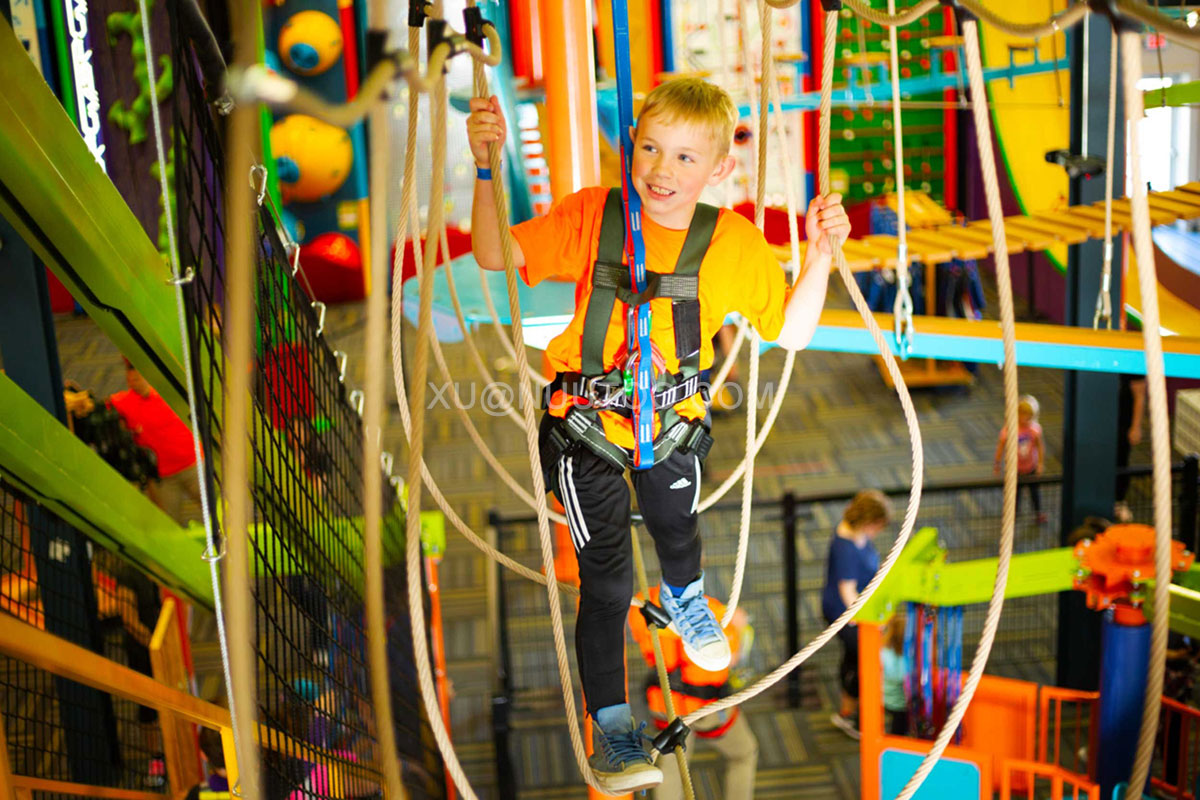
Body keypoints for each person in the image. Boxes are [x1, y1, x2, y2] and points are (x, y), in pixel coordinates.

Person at [467, 77, 850, 792]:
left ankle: (685, 599)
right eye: (649, 149)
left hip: (671, 426)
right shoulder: (594, 217)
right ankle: (613, 726)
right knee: (607, 580)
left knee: (678, 527)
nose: (660, 172)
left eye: (682, 158)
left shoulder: (731, 243)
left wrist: (823, 253)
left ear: (719, 169)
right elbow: (495, 254)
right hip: (587, 430)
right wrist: (486, 167)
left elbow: (793, 329)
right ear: (631, 147)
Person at [628, 588, 757, 800]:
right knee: (744, 753)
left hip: (664, 704)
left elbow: (640, 634)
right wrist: (739, 625)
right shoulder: (716, 612)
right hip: (707, 709)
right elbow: (733, 657)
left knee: (672, 765)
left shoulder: (641, 603)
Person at [822, 489, 892, 739]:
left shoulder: (855, 532)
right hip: (847, 614)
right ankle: (854, 717)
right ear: (867, 521)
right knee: (863, 662)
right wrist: (868, 621)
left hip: (853, 611)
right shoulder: (847, 548)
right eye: (877, 525)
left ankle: (847, 711)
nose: (879, 531)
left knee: (854, 660)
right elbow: (847, 591)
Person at [109, 358, 201, 525]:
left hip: (193, 466)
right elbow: (94, 409)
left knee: (220, 510)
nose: (133, 379)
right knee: (168, 526)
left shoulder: (171, 392)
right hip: (162, 478)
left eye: (137, 374)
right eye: (129, 374)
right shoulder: (122, 402)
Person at [993, 394, 1047, 524]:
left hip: (1031, 467)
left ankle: (1038, 513)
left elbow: (1040, 447)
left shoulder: (1035, 430)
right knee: (1015, 494)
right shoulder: (1009, 430)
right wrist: (997, 463)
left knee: (1035, 493)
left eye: (1029, 416)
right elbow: (1000, 447)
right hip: (1015, 469)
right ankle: (1013, 515)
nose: (1026, 419)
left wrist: (1040, 463)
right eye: (1023, 415)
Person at [1114, 374, 1146, 523]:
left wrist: (1135, 427)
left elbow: (1139, 396)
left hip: (1123, 424)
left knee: (1120, 460)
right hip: (1102, 421)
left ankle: (1119, 501)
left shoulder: (1133, 361)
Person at [881, 613, 908, 736]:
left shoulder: (883, 652)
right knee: (899, 727)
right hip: (899, 704)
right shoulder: (908, 660)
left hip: (883, 698)